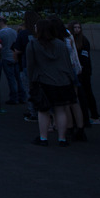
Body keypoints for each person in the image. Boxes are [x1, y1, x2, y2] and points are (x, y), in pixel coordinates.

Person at [27, 19, 77, 147]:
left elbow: (30, 65)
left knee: (43, 111)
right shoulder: (61, 44)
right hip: (62, 80)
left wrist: (31, 81)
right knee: (60, 111)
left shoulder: (33, 44)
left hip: (43, 81)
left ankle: (44, 138)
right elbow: (67, 63)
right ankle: (62, 138)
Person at [0, 16, 20, 104]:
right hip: (15, 56)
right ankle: (22, 96)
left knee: (11, 79)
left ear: (0, 22)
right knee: (18, 78)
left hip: (6, 57)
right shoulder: (13, 32)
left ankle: (14, 97)